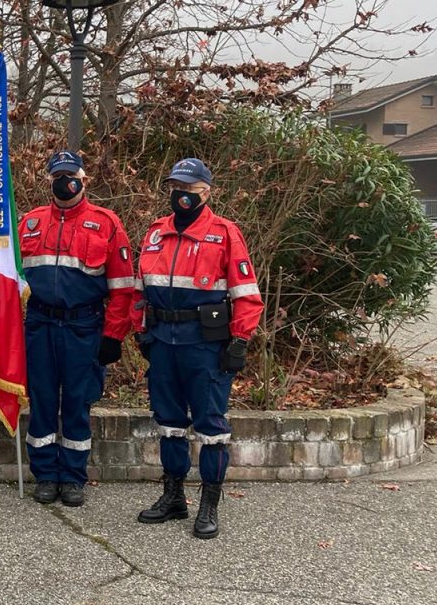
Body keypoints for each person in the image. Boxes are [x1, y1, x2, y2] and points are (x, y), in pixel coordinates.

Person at [132, 158, 264, 539]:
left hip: (206, 345)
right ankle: (173, 496)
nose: (181, 194)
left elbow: (246, 295)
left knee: (210, 427)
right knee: (169, 423)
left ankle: (209, 505)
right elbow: (140, 290)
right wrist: (140, 331)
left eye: (189, 188)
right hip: (162, 342)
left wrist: (239, 341)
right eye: (175, 186)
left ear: (206, 192)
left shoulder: (225, 233)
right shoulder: (156, 232)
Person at [18, 150, 135, 507]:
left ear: (84, 181)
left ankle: (72, 477)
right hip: (39, 323)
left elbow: (124, 287)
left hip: (84, 326)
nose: (64, 182)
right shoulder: (30, 222)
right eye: (57, 176)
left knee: (77, 403)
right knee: (41, 400)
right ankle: (45, 474)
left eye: (71, 176)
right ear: (49, 181)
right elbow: (10, 279)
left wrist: (113, 336)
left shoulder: (106, 223)